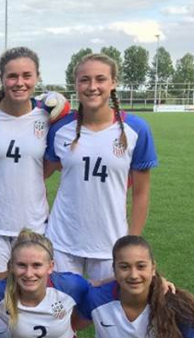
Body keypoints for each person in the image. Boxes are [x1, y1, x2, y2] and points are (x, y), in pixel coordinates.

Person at [44, 53, 158, 281]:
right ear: (75, 84)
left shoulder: (136, 129)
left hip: (111, 243)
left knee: (106, 312)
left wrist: (131, 244)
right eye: (84, 80)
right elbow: (40, 174)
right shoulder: (59, 129)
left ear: (113, 83)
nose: (92, 86)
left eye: (100, 79)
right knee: (61, 313)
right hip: (62, 240)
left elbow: (141, 193)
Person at [0, 47, 69, 284]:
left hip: (34, 225)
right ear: (1, 78)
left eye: (27, 76)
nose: (19, 82)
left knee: (31, 295)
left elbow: (48, 168)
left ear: (37, 77)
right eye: (12, 76)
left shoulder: (49, 117)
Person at [0, 229, 90, 338]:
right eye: (21, 265)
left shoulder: (70, 286)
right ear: (11, 266)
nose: (28, 274)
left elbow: (96, 296)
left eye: (37, 265)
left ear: (50, 266)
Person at [81, 235, 194, 337]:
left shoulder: (174, 303)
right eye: (124, 267)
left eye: (141, 266)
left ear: (153, 268)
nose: (134, 275)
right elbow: (69, 324)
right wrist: (100, 282)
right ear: (114, 270)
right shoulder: (96, 298)